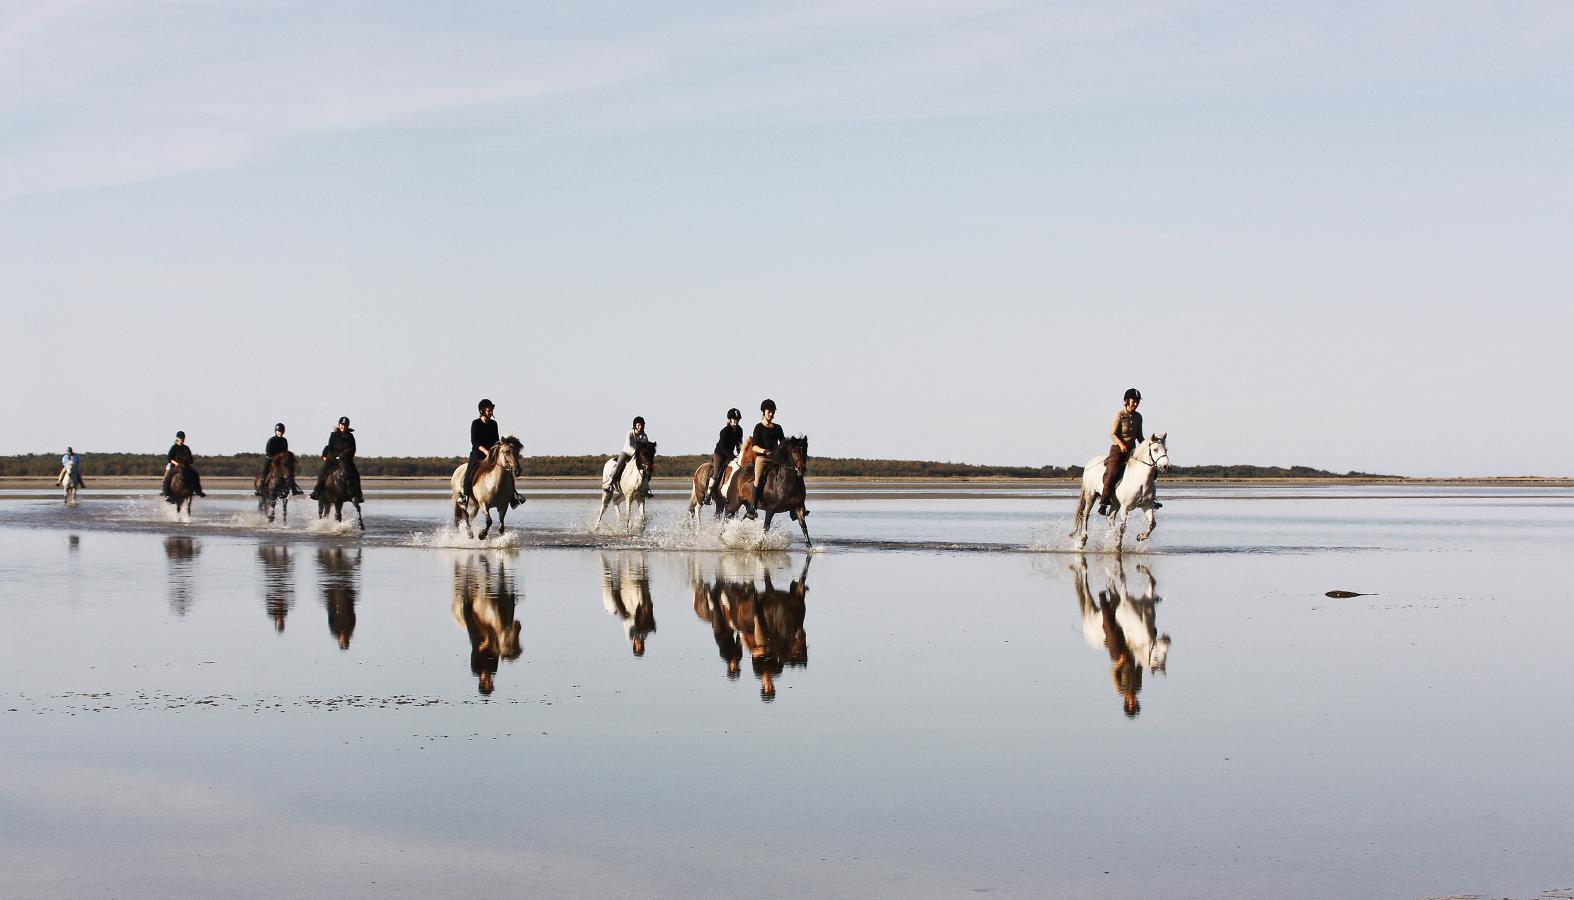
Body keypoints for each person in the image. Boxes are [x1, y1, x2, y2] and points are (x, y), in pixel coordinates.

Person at [1098, 388, 1147, 516]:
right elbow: (1112, 434)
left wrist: (1147, 446)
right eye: (1133, 401)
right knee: (1112, 472)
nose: (1135, 404)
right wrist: (1121, 444)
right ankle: (1104, 502)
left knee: (1147, 470)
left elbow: (1140, 436)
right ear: (1127, 401)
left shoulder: (1138, 417)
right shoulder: (1119, 414)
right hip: (1118, 449)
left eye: (1137, 402)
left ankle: (1149, 498)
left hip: (1132, 451)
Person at [742, 399, 784, 519]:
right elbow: (754, 446)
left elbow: (783, 443)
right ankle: (752, 508)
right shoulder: (758, 427)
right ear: (763, 412)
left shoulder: (778, 428)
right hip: (762, 459)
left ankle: (792, 505)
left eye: (773, 412)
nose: (771, 414)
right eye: (769, 411)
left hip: (775, 459)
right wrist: (765, 451)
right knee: (758, 479)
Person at [310, 417, 362, 504]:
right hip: (333, 459)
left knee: (355, 474)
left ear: (347, 426)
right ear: (339, 425)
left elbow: (352, 449)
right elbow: (330, 447)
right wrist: (335, 457)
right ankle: (317, 491)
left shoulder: (350, 436)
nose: (343, 427)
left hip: (346, 460)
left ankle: (357, 495)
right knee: (323, 472)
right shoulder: (333, 435)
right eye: (341, 425)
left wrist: (344, 456)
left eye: (345, 425)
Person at [703, 408, 744, 502]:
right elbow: (723, 448)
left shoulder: (740, 430)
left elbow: (739, 445)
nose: (736, 420)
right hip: (720, 454)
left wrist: (739, 455)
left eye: (737, 418)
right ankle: (708, 494)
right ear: (730, 419)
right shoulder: (724, 431)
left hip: (730, 455)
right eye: (734, 418)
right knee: (716, 473)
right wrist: (733, 458)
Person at [606, 416, 652, 496]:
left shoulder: (644, 436)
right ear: (635, 425)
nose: (640, 427)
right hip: (627, 453)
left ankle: (646, 488)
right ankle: (610, 483)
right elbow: (629, 445)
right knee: (618, 465)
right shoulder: (630, 433)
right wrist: (637, 452)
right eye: (638, 425)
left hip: (638, 456)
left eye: (642, 425)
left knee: (647, 468)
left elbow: (646, 447)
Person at [255, 423, 304, 496]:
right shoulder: (271, 440)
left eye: (281, 431)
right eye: (278, 431)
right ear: (275, 431)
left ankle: (294, 489)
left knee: (288, 471)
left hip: (280, 460)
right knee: (265, 469)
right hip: (270, 458)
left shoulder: (284, 440)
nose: (280, 433)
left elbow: (285, 451)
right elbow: (268, 451)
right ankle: (262, 487)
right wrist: (275, 457)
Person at [160, 431, 206, 497]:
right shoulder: (173, 447)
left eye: (183, 438)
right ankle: (166, 492)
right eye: (181, 438)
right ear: (177, 438)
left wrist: (187, 461)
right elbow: (169, 458)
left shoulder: (186, 448)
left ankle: (198, 491)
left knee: (195, 474)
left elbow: (191, 459)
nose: (182, 440)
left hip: (185, 466)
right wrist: (176, 463)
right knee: (167, 477)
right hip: (175, 466)